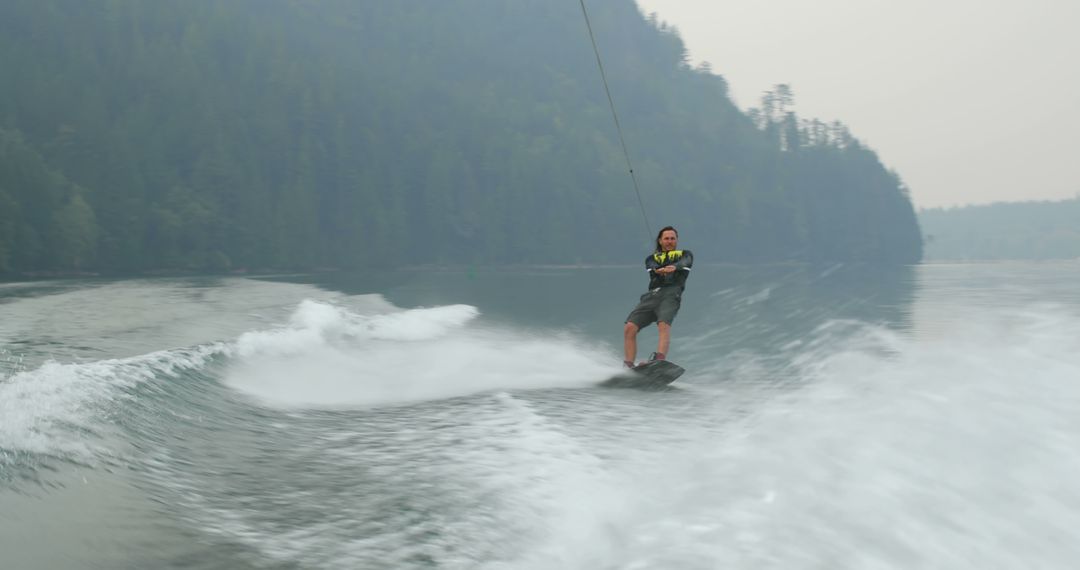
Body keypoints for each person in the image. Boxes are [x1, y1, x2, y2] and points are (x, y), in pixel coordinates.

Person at [623, 226, 693, 368]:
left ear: (677, 240)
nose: (669, 241)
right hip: (652, 296)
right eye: (666, 238)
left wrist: (674, 267)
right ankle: (629, 365)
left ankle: (659, 360)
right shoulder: (651, 258)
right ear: (660, 241)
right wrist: (660, 269)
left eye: (672, 238)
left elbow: (684, 262)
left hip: (672, 294)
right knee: (629, 327)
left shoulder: (685, 254)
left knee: (663, 325)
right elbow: (652, 265)